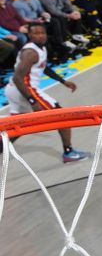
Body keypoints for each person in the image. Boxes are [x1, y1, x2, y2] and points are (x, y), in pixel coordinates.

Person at [3, 22, 91, 163]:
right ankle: (69, 152)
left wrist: (62, 81)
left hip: (14, 90)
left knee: (19, 123)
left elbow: (43, 67)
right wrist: (33, 100)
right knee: (62, 117)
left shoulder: (40, 49)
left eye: (42, 33)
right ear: (29, 35)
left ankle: (1, 145)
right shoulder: (30, 52)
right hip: (24, 88)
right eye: (36, 33)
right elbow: (18, 77)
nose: (40, 36)